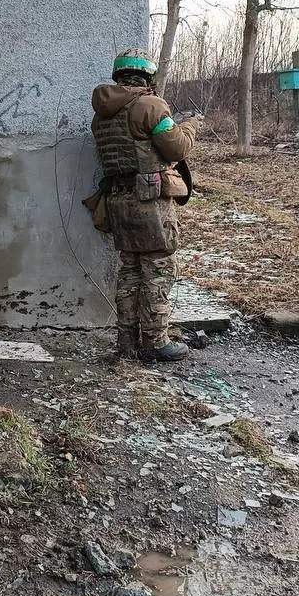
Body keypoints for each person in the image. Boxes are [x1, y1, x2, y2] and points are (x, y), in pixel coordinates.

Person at [90, 48, 200, 363]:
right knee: (158, 270)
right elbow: (177, 147)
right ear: (147, 77)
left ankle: (126, 341)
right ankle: (155, 342)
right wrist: (191, 126)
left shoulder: (102, 114)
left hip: (118, 201)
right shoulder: (150, 106)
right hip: (150, 202)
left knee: (130, 271)